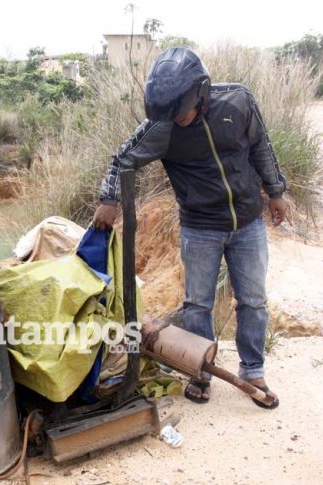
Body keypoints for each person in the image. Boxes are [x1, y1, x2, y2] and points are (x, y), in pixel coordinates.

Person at [92, 47, 287, 408]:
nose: (176, 120)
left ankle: (253, 369)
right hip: (200, 227)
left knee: (254, 301)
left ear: (201, 91)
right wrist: (109, 198)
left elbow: (261, 146)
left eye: (180, 113)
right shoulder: (163, 126)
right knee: (198, 304)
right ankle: (202, 372)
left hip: (247, 223)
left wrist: (276, 192)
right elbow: (122, 158)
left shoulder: (238, 101)